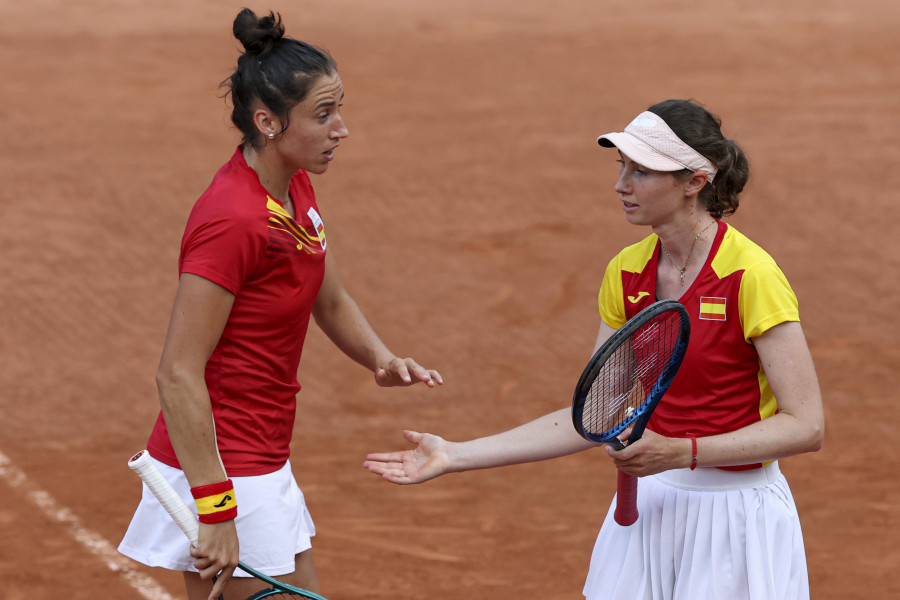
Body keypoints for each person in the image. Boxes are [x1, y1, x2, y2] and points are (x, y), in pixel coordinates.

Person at [363, 99, 824, 599]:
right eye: (621, 166)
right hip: (652, 507)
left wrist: (683, 452)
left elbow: (806, 425)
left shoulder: (750, 276)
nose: (621, 184)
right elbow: (597, 413)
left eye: (642, 171)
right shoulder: (626, 271)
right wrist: (456, 455)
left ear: (694, 181)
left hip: (736, 517)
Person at [118, 9, 442, 600]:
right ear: (267, 121)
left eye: (339, 108)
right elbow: (177, 373)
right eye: (323, 115)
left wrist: (381, 356)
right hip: (227, 465)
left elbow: (328, 291)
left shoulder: (293, 184)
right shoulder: (232, 220)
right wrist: (216, 508)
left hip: (260, 452)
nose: (341, 128)